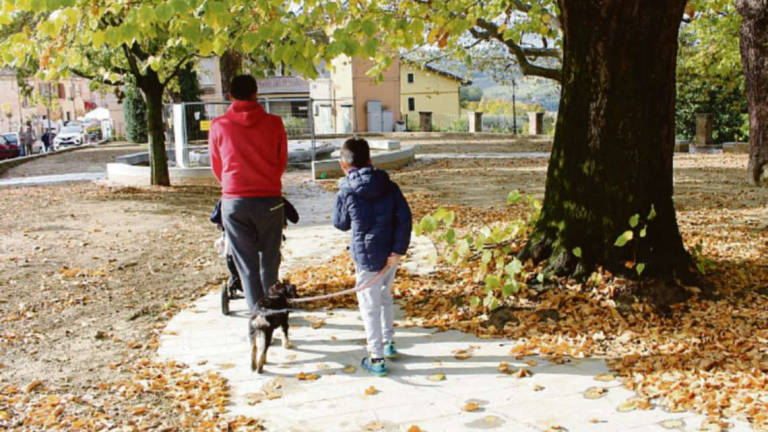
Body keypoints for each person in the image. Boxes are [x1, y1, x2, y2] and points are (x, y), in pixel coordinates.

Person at [333, 138, 413, 376]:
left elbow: (341, 224)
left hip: (366, 257)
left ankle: (376, 356)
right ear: (370, 160)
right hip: (390, 254)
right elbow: (405, 219)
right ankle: (388, 342)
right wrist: (398, 251)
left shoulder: (346, 189)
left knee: (369, 305)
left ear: (343, 164)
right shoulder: (390, 186)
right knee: (384, 296)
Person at [208, 75, 288, 313]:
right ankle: (273, 312)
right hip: (270, 199)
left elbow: (216, 165)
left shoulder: (219, 125)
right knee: (269, 261)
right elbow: (281, 160)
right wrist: (268, 180)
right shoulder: (275, 123)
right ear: (256, 93)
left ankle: (258, 323)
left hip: (235, 202)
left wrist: (233, 185)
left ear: (230, 96)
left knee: (246, 265)